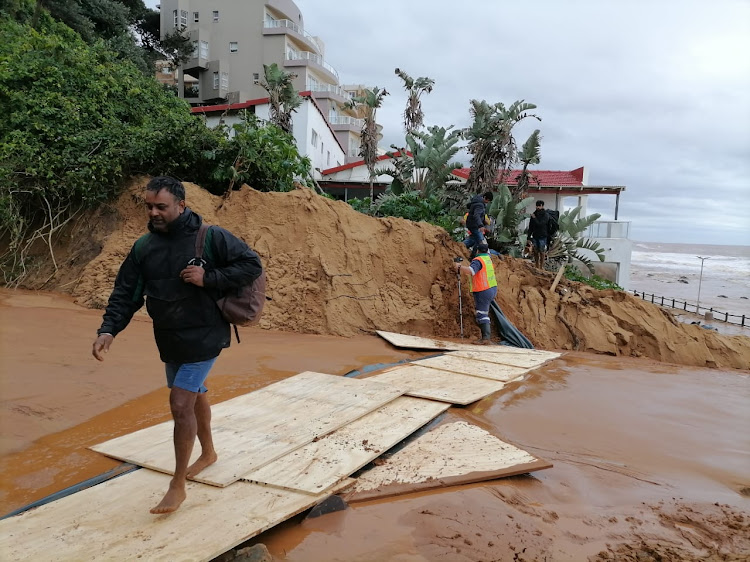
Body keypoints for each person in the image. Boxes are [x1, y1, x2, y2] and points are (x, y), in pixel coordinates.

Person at [92, 176, 262, 514]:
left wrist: (208, 278)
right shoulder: (144, 248)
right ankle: (209, 453)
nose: (153, 212)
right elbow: (126, 293)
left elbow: (251, 265)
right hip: (169, 336)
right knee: (194, 392)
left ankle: (177, 484)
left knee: (180, 402)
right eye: (149, 206)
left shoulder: (210, 237)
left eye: (161, 207)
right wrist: (109, 329)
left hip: (206, 333)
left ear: (181, 205)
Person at [454, 241, 498, 345]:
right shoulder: (488, 259)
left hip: (483, 289)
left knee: (481, 314)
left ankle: (486, 338)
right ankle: (486, 337)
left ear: (477, 250)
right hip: (491, 288)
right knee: (484, 312)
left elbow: (471, 271)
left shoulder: (478, 260)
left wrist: (459, 267)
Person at [463, 192, 494, 256]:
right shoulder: (479, 205)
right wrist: (480, 225)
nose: (487, 202)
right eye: (487, 201)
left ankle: (461, 246)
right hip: (474, 225)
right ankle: (474, 255)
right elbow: (476, 215)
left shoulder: (477, 200)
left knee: (475, 239)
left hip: (471, 224)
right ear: (485, 198)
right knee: (481, 240)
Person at [527, 200, 550, 268]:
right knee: (536, 251)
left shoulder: (545, 215)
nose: (537, 207)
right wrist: (528, 237)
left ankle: (541, 266)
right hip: (535, 235)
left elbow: (540, 224)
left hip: (543, 236)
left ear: (542, 206)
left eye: (539, 206)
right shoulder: (534, 214)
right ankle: (537, 264)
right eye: (537, 206)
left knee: (542, 251)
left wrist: (534, 218)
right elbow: (531, 226)